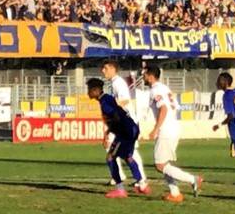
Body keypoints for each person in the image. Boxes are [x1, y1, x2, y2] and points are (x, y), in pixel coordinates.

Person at [144, 66, 203, 203]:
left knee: (160, 165)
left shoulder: (155, 90)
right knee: (164, 164)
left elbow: (164, 109)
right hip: (173, 127)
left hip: (166, 129)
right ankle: (175, 194)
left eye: (145, 75)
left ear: (151, 76)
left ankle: (193, 179)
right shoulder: (165, 88)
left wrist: (155, 129)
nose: (144, 78)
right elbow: (174, 107)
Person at [87, 78, 146, 198]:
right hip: (132, 128)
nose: (88, 93)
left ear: (96, 90)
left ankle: (120, 189)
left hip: (124, 131)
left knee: (110, 158)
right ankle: (142, 184)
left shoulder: (104, 103)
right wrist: (109, 132)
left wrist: (110, 134)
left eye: (90, 90)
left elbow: (115, 116)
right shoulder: (107, 98)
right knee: (128, 157)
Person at [101, 60, 147, 189]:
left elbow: (125, 100)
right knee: (116, 148)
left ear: (112, 69)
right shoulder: (114, 83)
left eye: (105, 68)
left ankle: (139, 179)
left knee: (127, 152)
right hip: (122, 122)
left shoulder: (118, 83)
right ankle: (126, 177)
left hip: (127, 122)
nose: (103, 71)